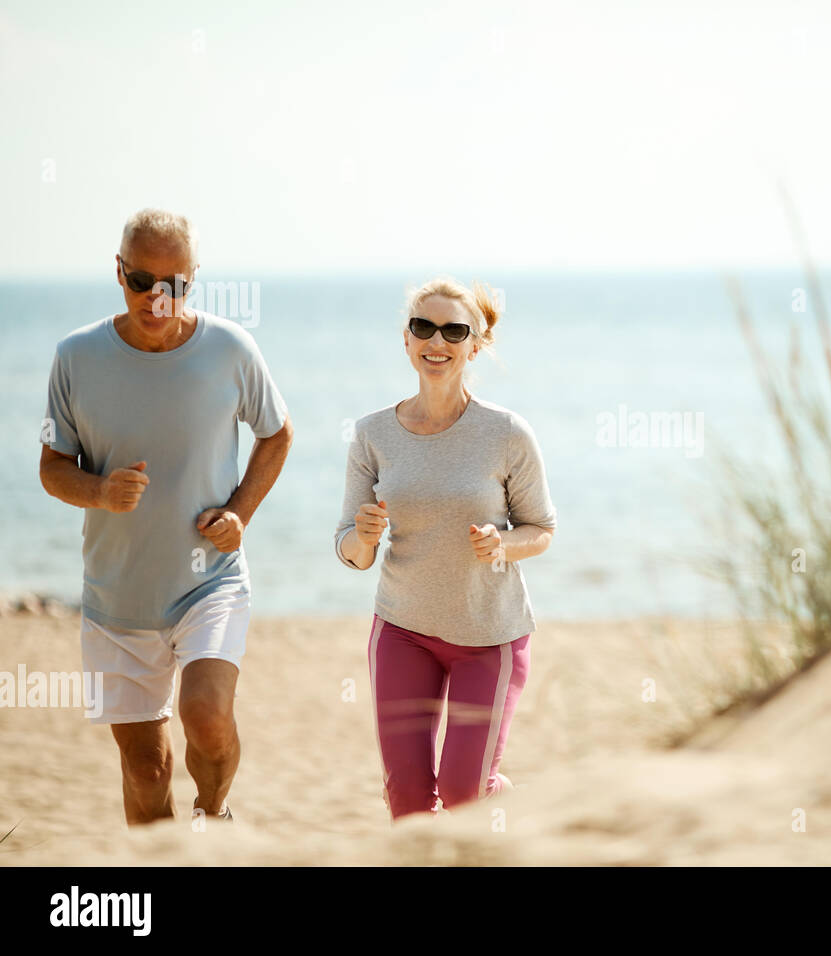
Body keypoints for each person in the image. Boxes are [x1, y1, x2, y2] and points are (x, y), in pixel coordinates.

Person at [38, 209, 293, 825]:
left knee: (206, 717)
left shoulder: (231, 348)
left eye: (175, 285)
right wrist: (99, 493)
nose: (158, 299)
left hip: (210, 582)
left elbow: (277, 435)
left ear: (194, 278)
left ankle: (213, 815)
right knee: (145, 770)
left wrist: (241, 512)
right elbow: (51, 467)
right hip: (115, 596)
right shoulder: (75, 356)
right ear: (118, 272)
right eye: (143, 282)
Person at [335, 277, 555, 819]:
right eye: (423, 327)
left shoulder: (506, 433)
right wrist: (363, 538)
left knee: (464, 794)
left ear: (475, 345)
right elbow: (351, 551)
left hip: (490, 634)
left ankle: (514, 812)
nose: (438, 341)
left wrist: (501, 545)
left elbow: (542, 529)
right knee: (407, 803)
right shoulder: (371, 435)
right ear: (407, 340)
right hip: (403, 631)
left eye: (454, 330)